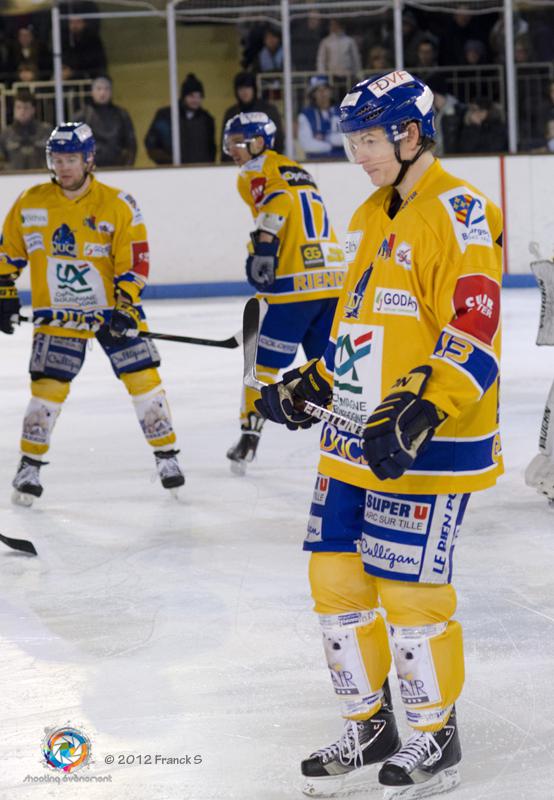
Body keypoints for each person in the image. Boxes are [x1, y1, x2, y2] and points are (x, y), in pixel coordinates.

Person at [255, 71, 503, 797]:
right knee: (333, 580)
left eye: (369, 138)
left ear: (410, 133)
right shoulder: (370, 216)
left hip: (424, 442)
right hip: (351, 437)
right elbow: (361, 328)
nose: (357, 153)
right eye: (352, 139)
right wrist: (317, 384)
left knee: (409, 592)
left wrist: (425, 409)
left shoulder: (458, 212)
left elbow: (475, 326)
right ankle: (369, 724)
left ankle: (435, 737)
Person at [0, 122, 185, 506]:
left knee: (144, 381)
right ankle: (29, 465)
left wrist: (126, 305)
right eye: (57, 158)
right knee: (46, 389)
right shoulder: (31, 203)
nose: (64, 166)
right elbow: (7, 255)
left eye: (72, 159)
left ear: (89, 160)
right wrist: (3, 293)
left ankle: (167, 457)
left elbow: (134, 262)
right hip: (60, 315)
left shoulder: (117, 204)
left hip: (111, 312)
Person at [222, 111, 346, 473]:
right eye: (229, 143)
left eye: (238, 143)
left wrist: (263, 247)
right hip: (334, 278)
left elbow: (279, 202)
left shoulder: (253, 171)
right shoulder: (295, 167)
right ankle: (346, 440)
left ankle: (250, 435)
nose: (232, 151)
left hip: (294, 283)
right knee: (330, 369)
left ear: (259, 142)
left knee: (260, 366)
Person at [145, 74, 216, 165]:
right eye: (191, 96)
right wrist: (167, 162)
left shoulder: (207, 119)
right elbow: (151, 142)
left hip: (199, 172)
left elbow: (211, 149)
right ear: (183, 97)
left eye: (199, 96)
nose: (196, 100)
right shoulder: (166, 116)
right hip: (170, 173)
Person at [221, 72, 284, 162]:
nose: (244, 92)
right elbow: (226, 142)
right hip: (238, 165)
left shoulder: (269, 110)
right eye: (241, 88)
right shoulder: (231, 113)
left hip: (267, 163)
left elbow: (278, 139)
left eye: (248, 87)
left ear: (254, 89)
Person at [75, 76, 137, 167]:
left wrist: (127, 167)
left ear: (111, 92)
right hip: (89, 168)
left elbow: (131, 145)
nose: (102, 93)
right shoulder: (82, 116)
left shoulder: (122, 115)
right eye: (98, 88)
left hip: (118, 168)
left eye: (106, 89)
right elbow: (74, 145)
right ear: (92, 92)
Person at [0, 90, 51, 171]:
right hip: (13, 179)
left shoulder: (45, 131)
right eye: (18, 107)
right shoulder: (6, 134)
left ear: (33, 110)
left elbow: (54, 157)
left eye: (26, 108)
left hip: (41, 177)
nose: (22, 111)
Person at [297, 75, 344, 160]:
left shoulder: (342, 112)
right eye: (317, 90)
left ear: (330, 91)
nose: (322, 93)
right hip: (315, 163)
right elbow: (307, 145)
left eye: (325, 89)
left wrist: (326, 137)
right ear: (313, 95)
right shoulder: (305, 115)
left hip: (343, 160)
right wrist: (331, 146)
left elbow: (348, 138)